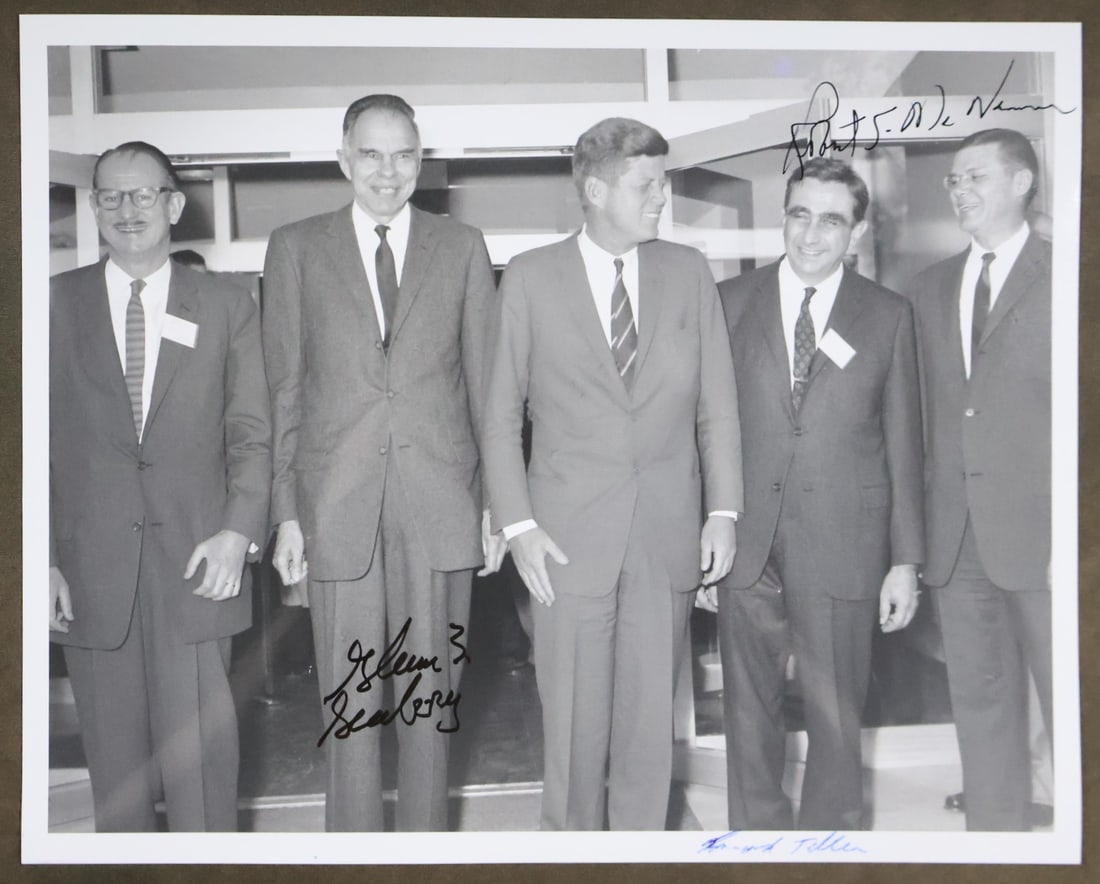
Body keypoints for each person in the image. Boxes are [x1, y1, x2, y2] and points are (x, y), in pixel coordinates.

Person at [482, 117, 743, 830]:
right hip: (564, 544)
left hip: (665, 537)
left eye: (664, 181)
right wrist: (519, 525)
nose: (663, 196)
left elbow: (717, 408)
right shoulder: (532, 278)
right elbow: (499, 416)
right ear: (594, 190)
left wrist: (724, 511)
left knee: (647, 734)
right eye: (647, 184)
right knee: (574, 731)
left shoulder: (688, 273)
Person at [261, 93, 503, 832]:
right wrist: (286, 515)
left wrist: (497, 505)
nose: (388, 170)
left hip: (441, 505)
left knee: (430, 711)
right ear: (343, 159)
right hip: (338, 509)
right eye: (371, 153)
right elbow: (284, 391)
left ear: (421, 162)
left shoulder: (461, 246)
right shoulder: (296, 247)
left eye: (403, 154)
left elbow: (490, 387)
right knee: (352, 714)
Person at [49, 141, 272, 831]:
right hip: (88, 573)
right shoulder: (51, 304)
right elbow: (28, 444)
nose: (127, 210)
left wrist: (238, 531)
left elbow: (253, 431)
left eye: (143, 194)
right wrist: (41, 559)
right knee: (116, 781)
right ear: (94, 208)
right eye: (111, 196)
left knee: (202, 771)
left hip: (198, 565)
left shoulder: (228, 303)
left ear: (174, 204)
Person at [714, 157, 923, 831]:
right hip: (747, 539)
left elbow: (904, 444)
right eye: (800, 215)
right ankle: (757, 848)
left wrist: (905, 561)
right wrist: (704, 534)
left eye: (831, 220)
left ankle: (828, 851)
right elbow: (703, 430)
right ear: (784, 217)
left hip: (846, 539)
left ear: (856, 232)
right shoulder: (728, 302)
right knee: (749, 713)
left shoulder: (888, 316)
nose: (811, 234)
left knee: (837, 714)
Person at [906, 128, 1052, 831]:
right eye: (953, 181)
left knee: (1074, 703)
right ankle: (996, 845)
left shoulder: (1071, 273)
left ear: (1022, 183)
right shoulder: (928, 288)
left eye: (976, 177)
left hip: (1051, 540)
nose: (960, 191)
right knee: (982, 708)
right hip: (958, 539)